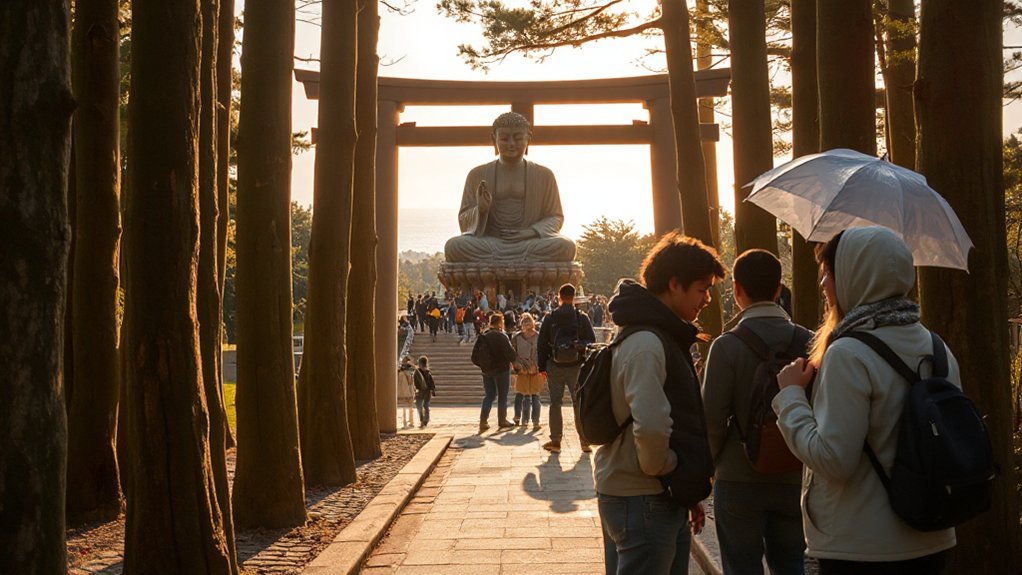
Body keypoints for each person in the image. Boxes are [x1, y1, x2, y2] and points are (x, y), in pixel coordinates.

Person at [774, 226, 959, 574]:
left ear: (855, 277)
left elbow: (833, 460)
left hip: (862, 548)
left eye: (829, 273)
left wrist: (790, 397)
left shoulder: (849, 353)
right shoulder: (936, 347)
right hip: (931, 533)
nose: (823, 284)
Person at [596, 232, 723, 575]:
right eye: (702, 289)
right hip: (644, 494)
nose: (707, 299)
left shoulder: (653, 334)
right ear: (674, 284)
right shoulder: (648, 342)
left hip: (650, 493)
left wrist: (683, 490)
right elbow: (651, 427)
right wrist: (670, 469)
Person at [701, 249, 813, 575]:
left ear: (736, 289)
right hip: (796, 473)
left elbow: (712, 420)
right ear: (779, 289)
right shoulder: (810, 342)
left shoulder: (726, 346)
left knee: (741, 566)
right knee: (793, 564)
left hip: (738, 476)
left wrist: (708, 469)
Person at [443, 112, 576, 263]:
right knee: (454, 246)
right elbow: (464, 221)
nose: (511, 144)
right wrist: (481, 209)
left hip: (528, 242)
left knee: (566, 246)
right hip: (492, 242)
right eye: (504, 139)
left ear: (528, 138)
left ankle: (501, 262)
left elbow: (555, 217)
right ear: (494, 139)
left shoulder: (544, 175)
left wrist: (531, 232)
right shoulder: (477, 174)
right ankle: (519, 261)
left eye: (518, 138)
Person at [538, 283, 596, 453]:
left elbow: (542, 344)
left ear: (559, 297)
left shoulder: (550, 318)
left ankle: (556, 441)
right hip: (576, 366)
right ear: (574, 297)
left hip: (554, 365)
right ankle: (584, 441)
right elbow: (591, 342)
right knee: (578, 403)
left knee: (555, 403)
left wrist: (542, 367)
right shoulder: (581, 317)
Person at [476, 313, 517, 433]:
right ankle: (502, 420)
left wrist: (483, 365)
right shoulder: (501, 336)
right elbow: (511, 354)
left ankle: (483, 421)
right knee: (502, 396)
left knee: (489, 395)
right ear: (500, 322)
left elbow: (475, 355)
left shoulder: (484, 335)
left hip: (487, 370)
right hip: (501, 370)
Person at [510, 312, 544, 431]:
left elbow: (542, 352)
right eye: (524, 322)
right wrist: (517, 366)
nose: (526, 324)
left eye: (528, 321)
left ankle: (535, 421)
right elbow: (512, 354)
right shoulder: (517, 337)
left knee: (534, 396)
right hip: (523, 370)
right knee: (525, 395)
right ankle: (525, 420)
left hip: (535, 369)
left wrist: (539, 366)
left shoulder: (538, 336)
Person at [413, 356, 437, 428]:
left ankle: (425, 421)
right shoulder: (417, 372)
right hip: (420, 391)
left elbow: (431, 381)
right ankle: (422, 420)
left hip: (425, 391)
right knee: (420, 406)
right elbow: (414, 381)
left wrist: (432, 389)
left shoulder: (427, 372)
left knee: (425, 405)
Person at [397, 355, 416, 428]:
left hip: (402, 392)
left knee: (404, 408)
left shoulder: (400, 373)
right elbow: (411, 382)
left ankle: (404, 423)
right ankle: (411, 422)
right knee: (410, 408)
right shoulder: (410, 373)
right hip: (409, 391)